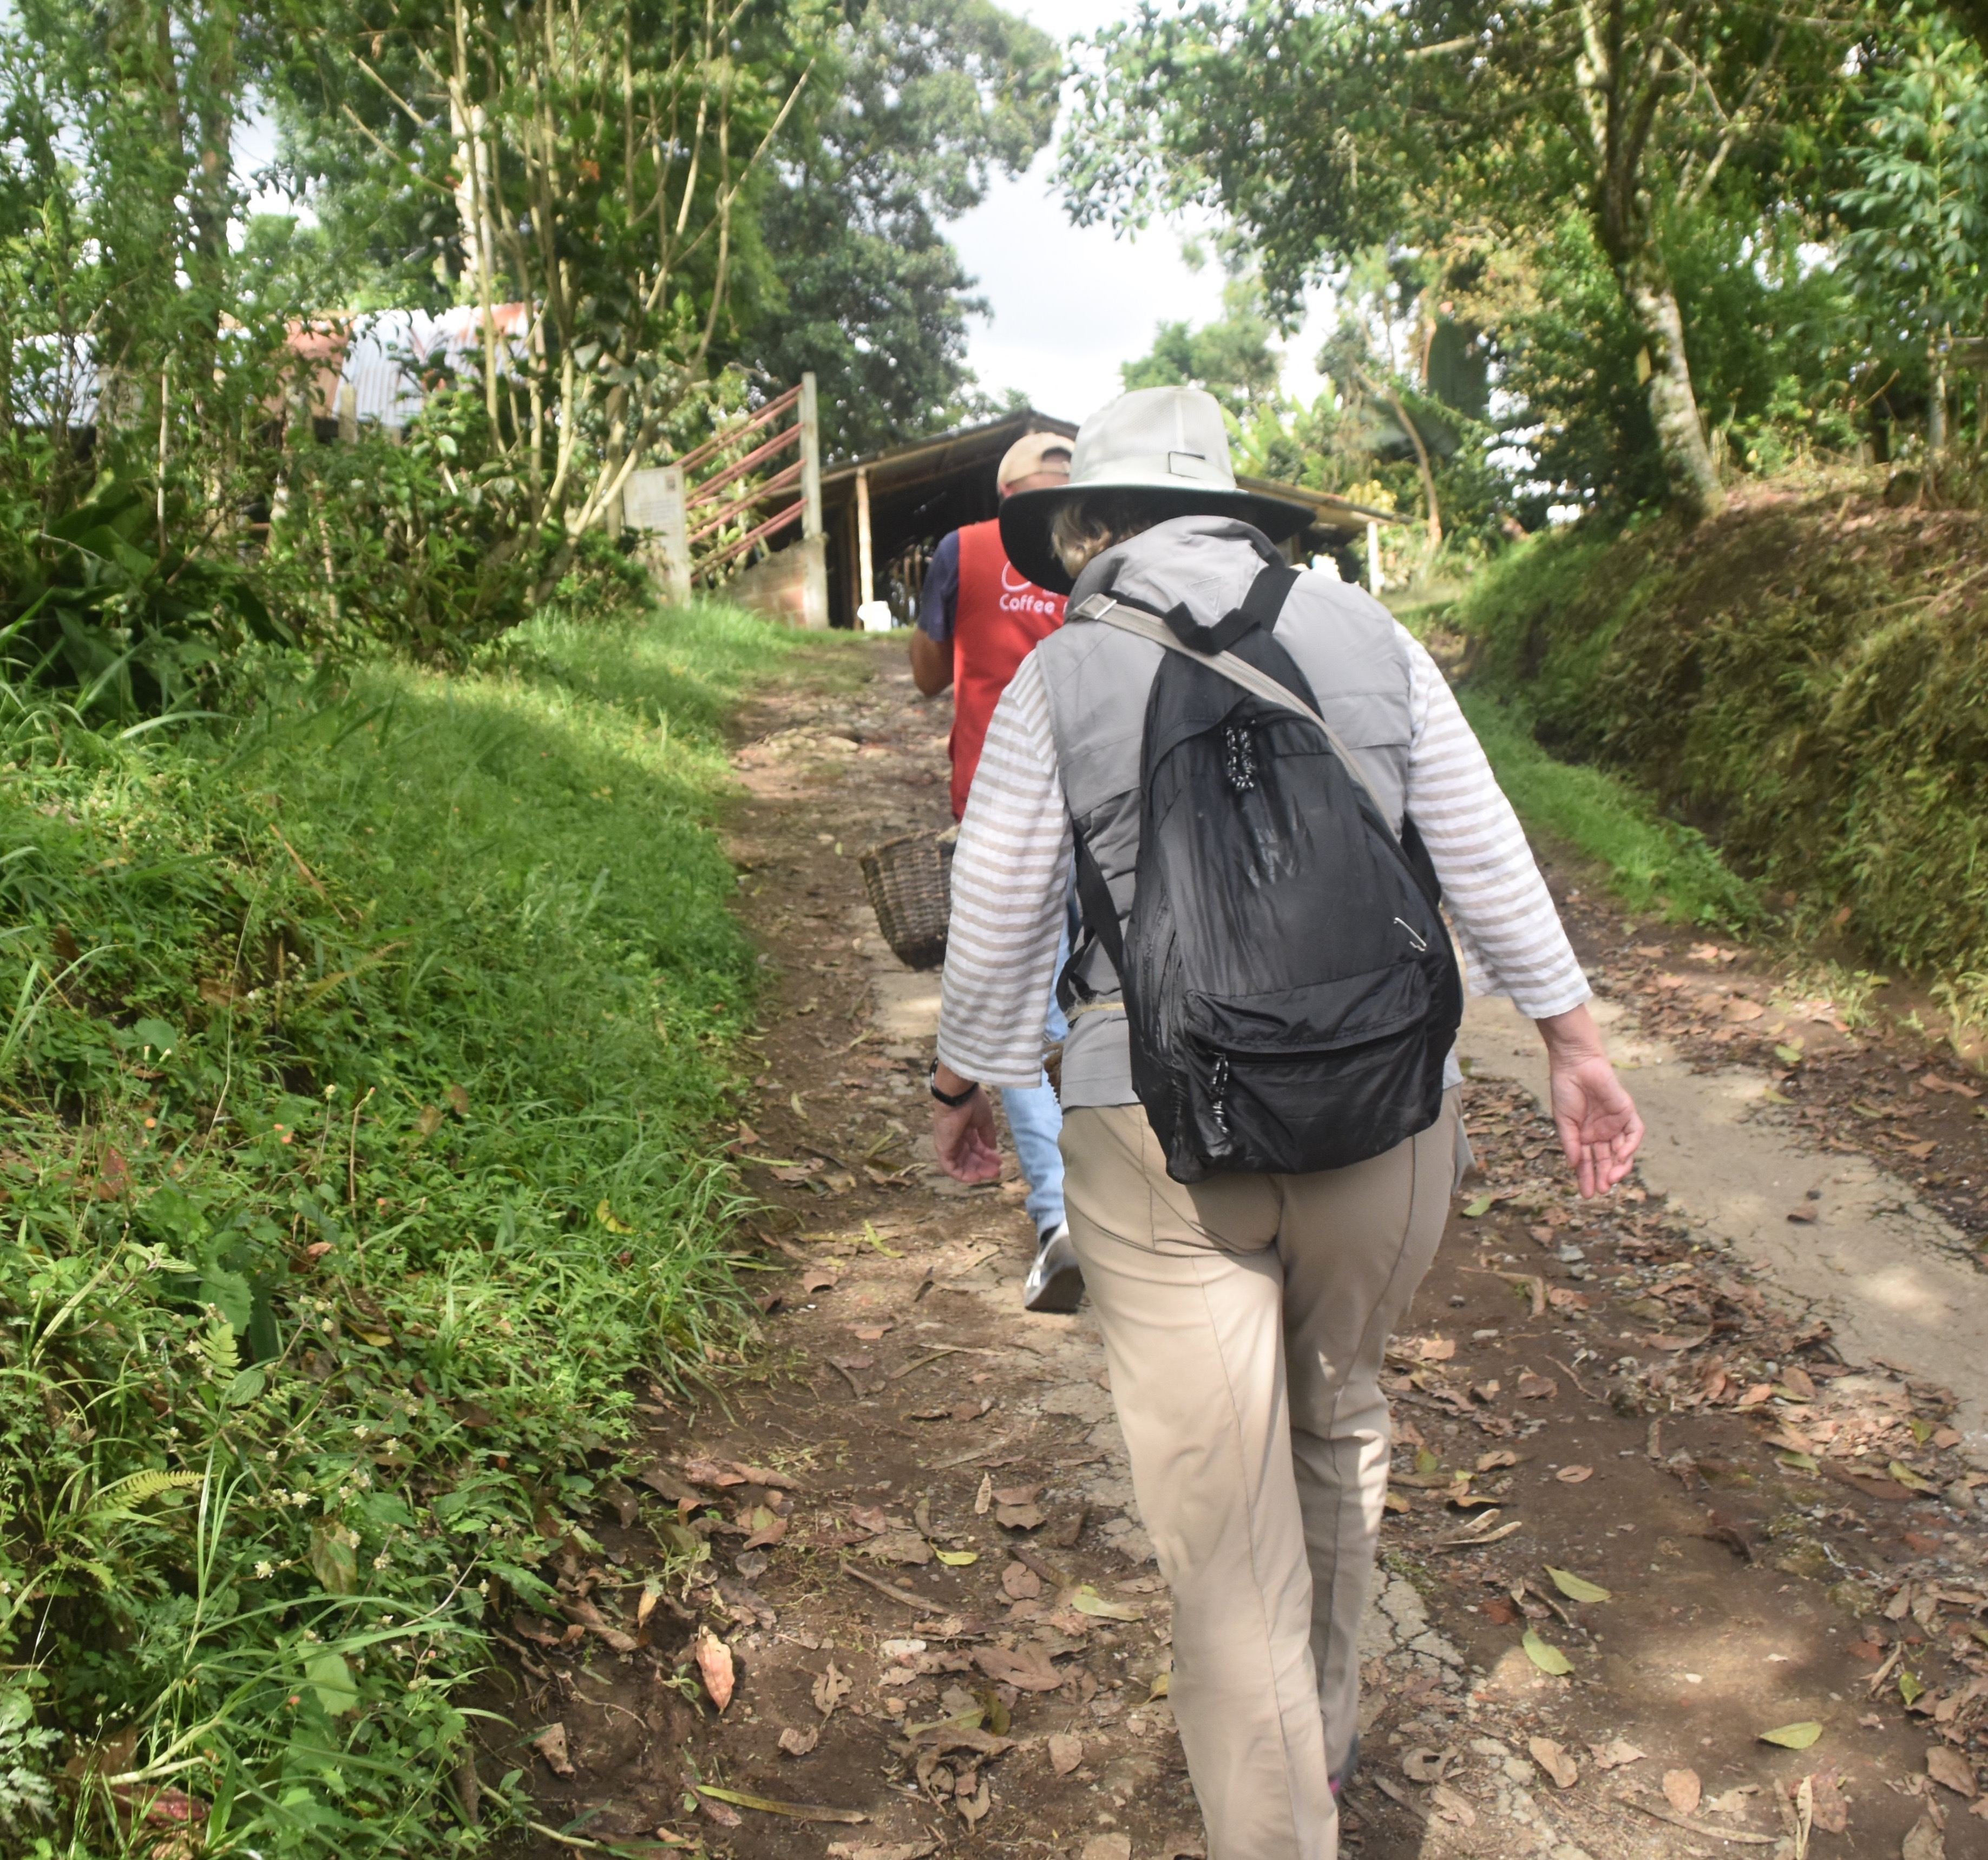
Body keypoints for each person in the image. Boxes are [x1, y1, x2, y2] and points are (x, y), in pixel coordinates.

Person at [927, 385, 1645, 1860]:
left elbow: (995, 910)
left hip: (1156, 1131)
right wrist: (1571, 1040)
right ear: (1236, 517)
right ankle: (1323, 1739)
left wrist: (969, 1085)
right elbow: (1484, 849)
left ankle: (1278, 1825)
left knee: (1221, 1532)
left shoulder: (1065, 673)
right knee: (1341, 1418)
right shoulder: (1372, 639)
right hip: (1384, 1113)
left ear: (1087, 531)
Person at [910, 428, 1083, 1314]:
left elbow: (928, 676)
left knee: (1026, 1003)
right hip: (1116, 806)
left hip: (1003, 806)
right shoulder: (1107, 543)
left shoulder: (965, 550)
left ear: (1004, 489)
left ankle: (1060, 1217)